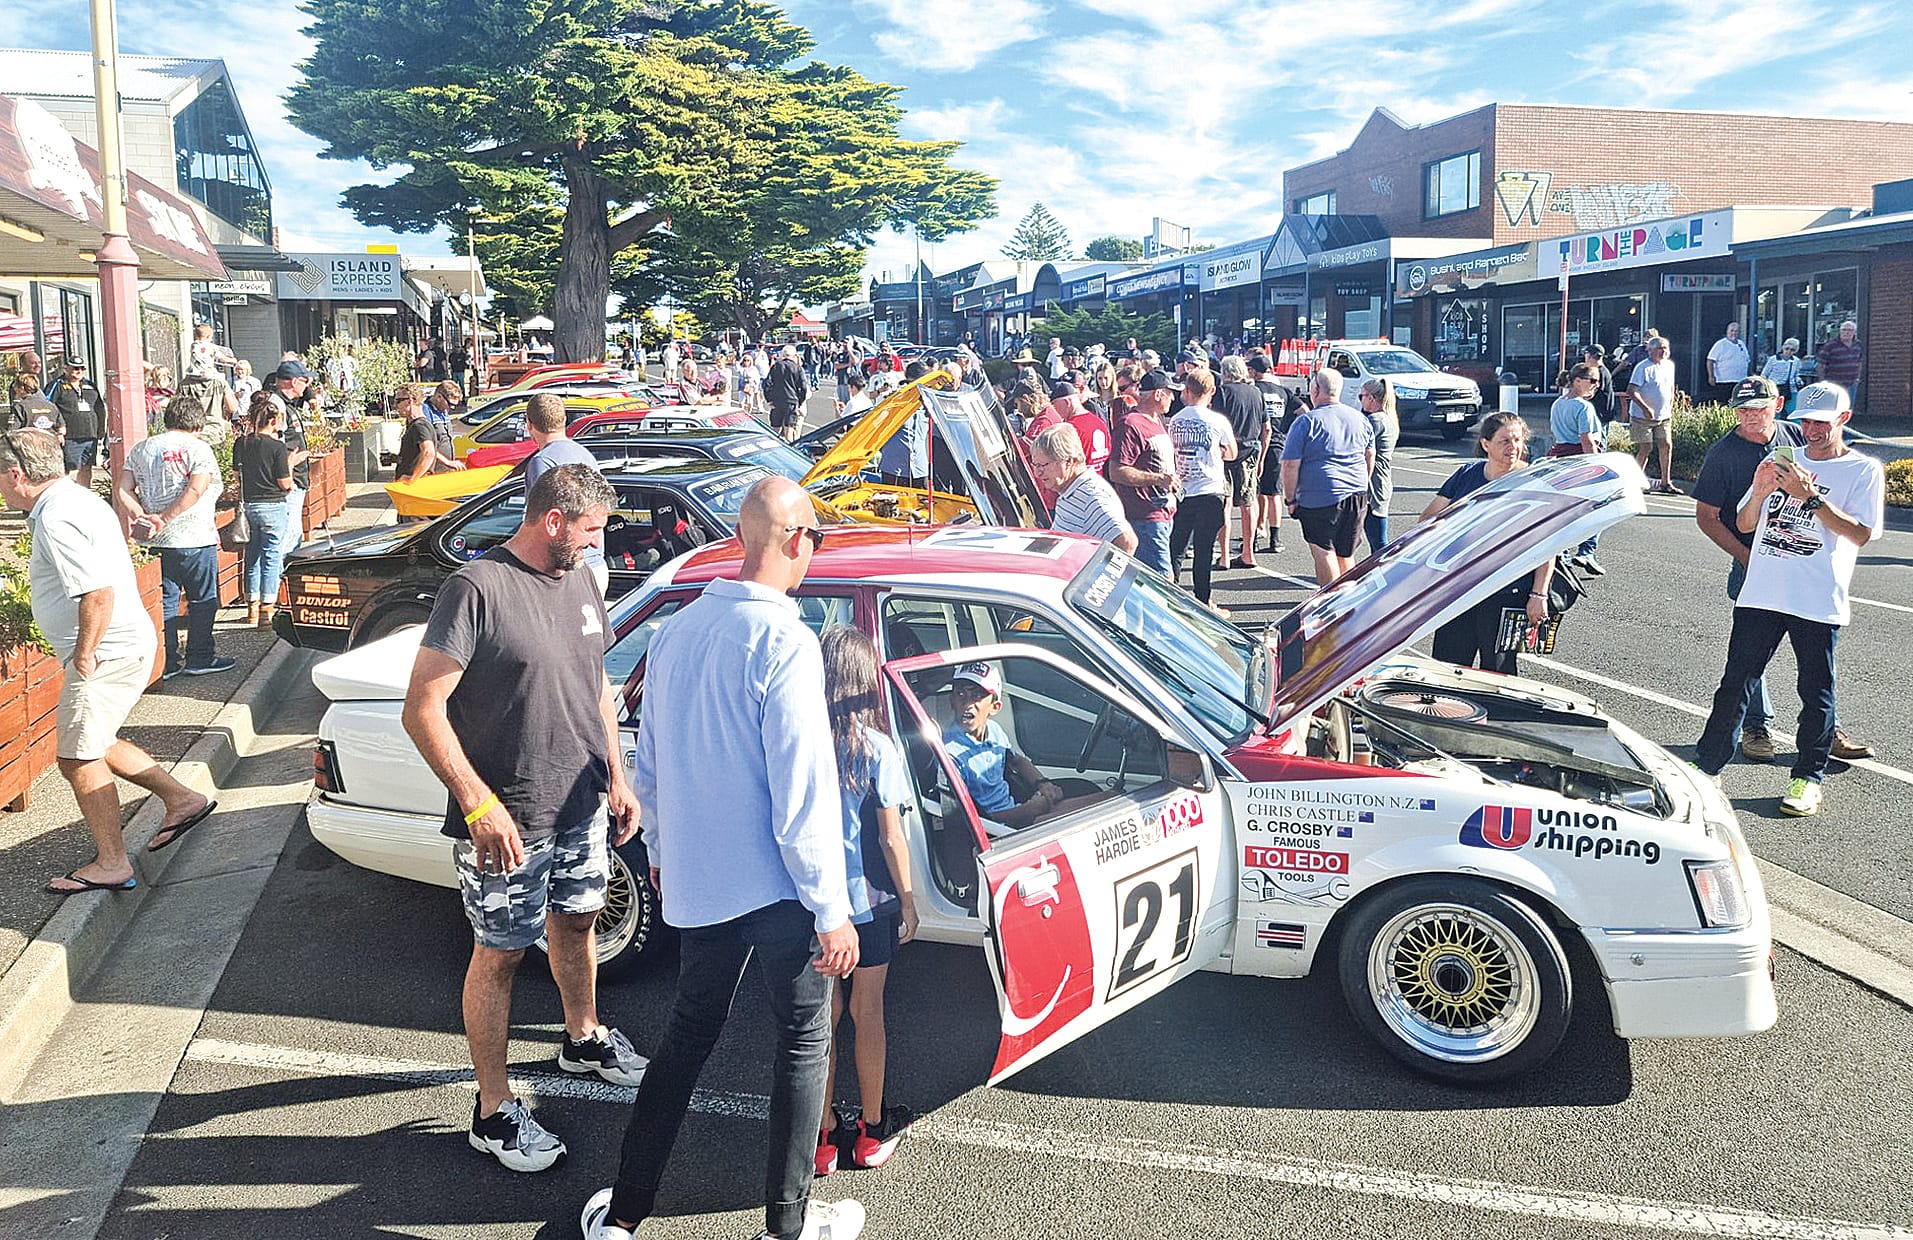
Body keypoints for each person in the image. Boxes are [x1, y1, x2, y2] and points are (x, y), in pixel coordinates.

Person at [585, 476, 863, 1240]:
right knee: (802, 1044)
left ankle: (624, 1213)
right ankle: (787, 1224)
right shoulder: (785, 641)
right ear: (790, 540)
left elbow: (653, 768)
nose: (814, 549)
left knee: (686, 1041)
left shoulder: (677, 630)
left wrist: (666, 856)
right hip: (780, 892)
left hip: (702, 882)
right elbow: (801, 791)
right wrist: (830, 909)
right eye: (813, 536)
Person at [402, 464, 644, 1172]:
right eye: (591, 531)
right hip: (506, 818)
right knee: (501, 954)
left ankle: (583, 1036)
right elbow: (422, 708)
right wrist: (478, 803)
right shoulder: (476, 589)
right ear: (553, 522)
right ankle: (492, 1110)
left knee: (577, 920)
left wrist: (617, 776)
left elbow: (595, 684)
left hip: (580, 803)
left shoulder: (581, 583)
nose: (598, 545)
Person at [0, 428, 216, 895]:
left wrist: (82, 654)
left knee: (77, 758)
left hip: (105, 652)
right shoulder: (76, 499)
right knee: (98, 741)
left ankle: (112, 863)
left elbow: (96, 591)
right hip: (121, 645)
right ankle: (183, 800)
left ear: (17, 474)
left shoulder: (56, 517)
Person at [1692, 382, 1883, 816]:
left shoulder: (1863, 469)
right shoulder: (1781, 458)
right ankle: (1707, 767)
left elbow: (1861, 534)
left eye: (1821, 422)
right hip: (1762, 590)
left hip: (1816, 596)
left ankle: (1807, 777)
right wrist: (1760, 493)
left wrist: (1810, 498)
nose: (1812, 430)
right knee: (1736, 682)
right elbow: (1743, 521)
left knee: (1815, 691)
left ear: (1843, 421)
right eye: (1806, 422)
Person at [815, 626, 916, 1176]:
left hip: (817, 904)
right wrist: (908, 900)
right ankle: (872, 1133)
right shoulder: (877, 748)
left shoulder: (804, 743)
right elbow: (890, 837)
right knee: (867, 1011)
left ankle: (823, 1137)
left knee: (823, 1018)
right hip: (869, 903)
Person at [1418, 413, 1557, 674]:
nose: (1513, 447)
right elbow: (1428, 520)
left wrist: (1539, 594)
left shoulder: (1534, 481)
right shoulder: (1467, 474)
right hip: (1459, 587)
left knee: (1498, 670)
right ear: (1485, 444)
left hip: (1507, 590)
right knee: (1448, 665)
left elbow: (1548, 543)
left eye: (1517, 440)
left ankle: (1497, 715)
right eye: (1504, 440)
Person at [118, 395, 235, 678]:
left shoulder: (142, 448)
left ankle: (167, 662)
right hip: (194, 536)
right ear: (197, 423)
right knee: (202, 600)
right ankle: (200, 657)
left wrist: (143, 515)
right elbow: (196, 489)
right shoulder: (199, 448)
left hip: (154, 541)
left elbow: (123, 489)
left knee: (164, 601)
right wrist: (165, 518)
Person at [943, 662, 1076, 831]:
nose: (968, 704)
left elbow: (1017, 761)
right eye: (961, 694)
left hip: (1019, 812)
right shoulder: (949, 754)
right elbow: (969, 822)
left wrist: (1043, 784)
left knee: (1102, 801)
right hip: (996, 831)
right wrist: (1028, 810)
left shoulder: (995, 731)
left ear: (994, 707)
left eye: (977, 696)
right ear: (952, 701)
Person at [1280, 369, 1374, 587]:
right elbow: (1370, 456)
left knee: (1324, 552)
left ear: (1315, 390)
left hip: (1320, 494)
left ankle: (1330, 606)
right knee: (1346, 553)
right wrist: (1362, 483)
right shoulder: (1360, 419)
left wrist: (1291, 499)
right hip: (1356, 493)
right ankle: (1351, 606)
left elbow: (1290, 464)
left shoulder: (1306, 422)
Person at [1167, 367, 1236, 614]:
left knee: (1177, 546)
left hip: (1184, 488)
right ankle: (1203, 599)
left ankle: (1171, 593)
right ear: (1212, 391)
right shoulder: (1218, 421)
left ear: (1187, 391)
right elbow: (1232, 452)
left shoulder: (1176, 420)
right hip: (1210, 488)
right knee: (1204, 548)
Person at [1108, 371, 1179, 574]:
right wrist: (1158, 479)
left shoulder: (1155, 421)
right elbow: (1117, 471)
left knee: (1152, 581)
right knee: (1162, 580)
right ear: (1158, 394)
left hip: (1164, 514)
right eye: (1169, 393)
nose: (1172, 398)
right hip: (1145, 517)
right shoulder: (1130, 424)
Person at [1032, 424, 1137, 555]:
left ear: (1068, 461)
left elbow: (1127, 542)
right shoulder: (1070, 491)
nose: (1037, 473)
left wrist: (1098, 574)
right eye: (1035, 465)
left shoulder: (1090, 495)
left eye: (1043, 465)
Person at [1547, 363, 1608, 574]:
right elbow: (1587, 441)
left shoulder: (1558, 404)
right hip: (1581, 461)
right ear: (1577, 381)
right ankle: (1586, 551)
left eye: (1598, 381)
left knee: (1566, 509)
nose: (1596, 385)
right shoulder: (1583, 407)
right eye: (1592, 380)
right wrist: (1598, 467)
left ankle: (1562, 552)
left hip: (1560, 461)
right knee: (1601, 506)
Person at [1212, 355, 1268, 570]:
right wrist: (1261, 455)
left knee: (1225, 504)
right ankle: (1248, 553)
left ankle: (1224, 556)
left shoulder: (1223, 393)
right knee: (1248, 502)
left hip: (1226, 451)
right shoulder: (1256, 392)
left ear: (1225, 372)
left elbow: (1214, 423)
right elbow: (1266, 426)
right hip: (1251, 450)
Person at [1622, 335, 1680, 494]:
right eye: (1660, 348)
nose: (1664, 351)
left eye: (1666, 348)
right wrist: (1646, 408)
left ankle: (1665, 482)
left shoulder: (1669, 365)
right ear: (1651, 350)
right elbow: (1631, 391)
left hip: (1663, 415)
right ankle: (1636, 481)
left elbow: (1670, 387)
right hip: (1642, 417)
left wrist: (1671, 405)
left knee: (1666, 445)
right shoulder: (1643, 367)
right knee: (1646, 447)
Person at [1247, 354, 1290, 553]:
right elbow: (1303, 410)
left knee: (1255, 494)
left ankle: (1254, 537)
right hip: (1277, 444)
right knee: (1274, 494)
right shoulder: (1283, 391)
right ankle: (1276, 539)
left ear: (1254, 371)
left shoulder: (1253, 391)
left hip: (1255, 443)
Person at [1357, 376, 1399, 557]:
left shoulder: (1376, 421)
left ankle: (1387, 571)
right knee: (1369, 534)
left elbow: (1361, 447)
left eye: (1362, 396)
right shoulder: (1388, 417)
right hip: (1381, 478)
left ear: (1372, 398)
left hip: (1374, 481)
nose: (1361, 400)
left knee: (1378, 539)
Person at [47, 356, 104, 488]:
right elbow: (49, 408)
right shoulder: (57, 385)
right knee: (67, 468)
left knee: (87, 467)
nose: (79, 371)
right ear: (66, 369)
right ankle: (64, 495)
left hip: (90, 434)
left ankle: (84, 495)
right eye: (75, 368)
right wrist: (57, 430)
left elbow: (100, 408)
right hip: (69, 436)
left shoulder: (90, 385)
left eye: (82, 368)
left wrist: (101, 429)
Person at [393, 384, 451, 483]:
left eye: (398, 401)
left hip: (416, 486)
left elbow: (428, 453)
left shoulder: (420, 425)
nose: (395, 405)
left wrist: (412, 479)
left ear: (409, 401)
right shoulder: (416, 424)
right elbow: (421, 452)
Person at [766, 345, 810, 442]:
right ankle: (789, 450)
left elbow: (767, 384)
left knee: (775, 429)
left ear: (783, 355)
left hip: (777, 400)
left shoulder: (776, 366)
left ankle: (773, 449)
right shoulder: (797, 368)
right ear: (793, 355)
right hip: (791, 400)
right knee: (789, 430)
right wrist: (800, 401)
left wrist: (769, 399)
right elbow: (803, 387)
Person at [1816, 320, 1863, 406]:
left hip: (1851, 384)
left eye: (1849, 330)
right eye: (1844, 330)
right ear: (1840, 331)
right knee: (1834, 408)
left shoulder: (1858, 345)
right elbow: (1820, 365)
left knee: (1848, 409)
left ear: (1854, 332)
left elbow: (1859, 362)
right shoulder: (1830, 346)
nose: (1846, 332)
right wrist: (1823, 382)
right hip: (1834, 384)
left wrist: (1857, 378)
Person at [1705, 323, 1750, 404]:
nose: (1734, 333)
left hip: (1740, 381)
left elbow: (1747, 360)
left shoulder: (1741, 344)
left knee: (1738, 403)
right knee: (1723, 403)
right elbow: (1710, 360)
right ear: (1727, 332)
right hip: (1724, 381)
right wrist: (1711, 376)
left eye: (1736, 331)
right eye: (1731, 331)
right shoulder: (1720, 344)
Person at [1761, 337, 1803, 410]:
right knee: (1775, 410)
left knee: (1793, 410)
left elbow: (1796, 375)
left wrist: (1799, 381)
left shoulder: (1796, 361)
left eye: (1792, 350)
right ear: (1783, 348)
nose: (1789, 351)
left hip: (1790, 389)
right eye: (1787, 348)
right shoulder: (1773, 359)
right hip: (1774, 388)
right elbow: (1764, 374)